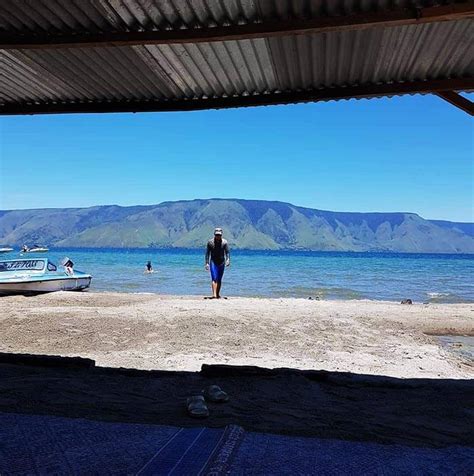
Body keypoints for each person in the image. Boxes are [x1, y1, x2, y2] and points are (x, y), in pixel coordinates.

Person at [205, 227, 230, 299]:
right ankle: (214, 295)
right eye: (216, 235)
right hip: (213, 262)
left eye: (219, 235)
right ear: (214, 235)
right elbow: (207, 253)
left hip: (222, 262)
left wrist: (228, 260)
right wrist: (207, 263)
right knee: (214, 278)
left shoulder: (225, 242)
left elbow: (227, 252)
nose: (218, 236)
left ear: (221, 235)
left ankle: (218, 294)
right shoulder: (210, 242)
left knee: (219, 279)